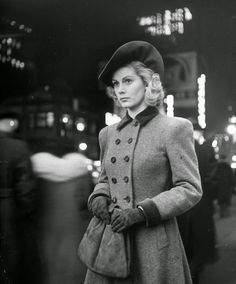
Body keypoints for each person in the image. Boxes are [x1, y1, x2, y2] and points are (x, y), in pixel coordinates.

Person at [84, 41, 202, 284]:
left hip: (153, 245)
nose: (120, 90)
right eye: (116, 84)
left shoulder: (175, 128)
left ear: (149, 83)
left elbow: (190, 189)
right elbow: (105, 180)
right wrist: (98, 197)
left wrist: (141, 213)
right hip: (112, 242)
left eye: (128, 81)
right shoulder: (107, 134)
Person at [0, 111, 41, 284]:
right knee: (12, 257)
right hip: (8, 209)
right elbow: (27, 189)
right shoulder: (18, 147)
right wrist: (28, 212)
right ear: (12, 124)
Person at [177, 125, 218, 284]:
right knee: (200, 244)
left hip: (181, 205)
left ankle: (188, 273)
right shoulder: (205, 150)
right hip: (201, 203)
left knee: (185, 244)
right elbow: (213, 180)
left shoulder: (178, 147)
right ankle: (194, 273)